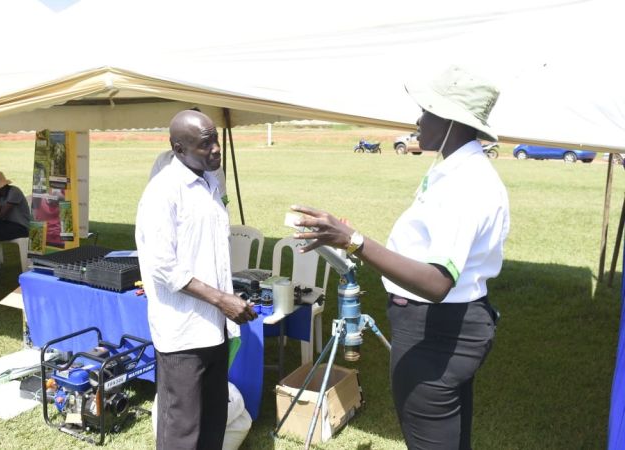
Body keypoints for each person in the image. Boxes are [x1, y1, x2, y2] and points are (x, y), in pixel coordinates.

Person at [291, 66, 509, 450]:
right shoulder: (456, 169)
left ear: (452, 120)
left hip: (436, 333)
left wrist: (355, 241)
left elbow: (436, 282)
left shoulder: (465, 184)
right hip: (445, 327)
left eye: (427, 110)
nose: (418, 119)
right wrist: (352, 239)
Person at [135, 109, 257, 449]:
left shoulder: (211, 183)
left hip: (215, 328)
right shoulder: (163, 193)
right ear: (178, 148)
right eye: (206, 144)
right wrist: (222, 300)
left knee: (213, 420)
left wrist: (226, 302)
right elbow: (164, 266)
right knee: (182, 430)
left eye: (216, 139)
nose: (216, 149)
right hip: (183, 333)